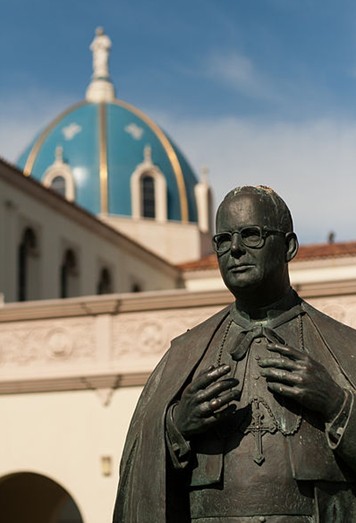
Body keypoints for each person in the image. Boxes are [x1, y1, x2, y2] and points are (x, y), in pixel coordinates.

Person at [113, 186, 356, 522]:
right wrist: (175, 427)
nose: (235, 249)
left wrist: (336, 405)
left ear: (288, 246)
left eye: (251, 235)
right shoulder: (184, 356)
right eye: (223, 240)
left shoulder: (346, 348)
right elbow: (137, 479)